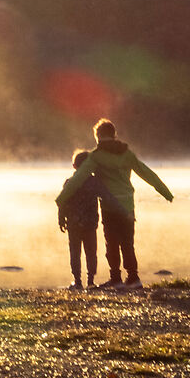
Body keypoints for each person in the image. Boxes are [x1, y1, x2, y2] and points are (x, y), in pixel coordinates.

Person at [55, 118, 174, 288]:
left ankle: (116, 279)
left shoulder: (96, 157)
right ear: (114, 135)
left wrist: (61, 199)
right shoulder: (127, 154)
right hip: (127, 204)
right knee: (128, 243)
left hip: (110, 205)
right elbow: (146, 172)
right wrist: (165, 192)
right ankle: (134, 278)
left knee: (112, 243)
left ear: (98, 136)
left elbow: (79, 178)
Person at [57, 148, 101, 290]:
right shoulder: (94, 182)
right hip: (90, 222)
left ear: (74, 166)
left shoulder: (69, 182)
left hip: (74, 222)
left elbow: (62, 202)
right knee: (91, 251)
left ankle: (77, 281)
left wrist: (61, 219)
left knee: (75, 251)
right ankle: (91, 280)